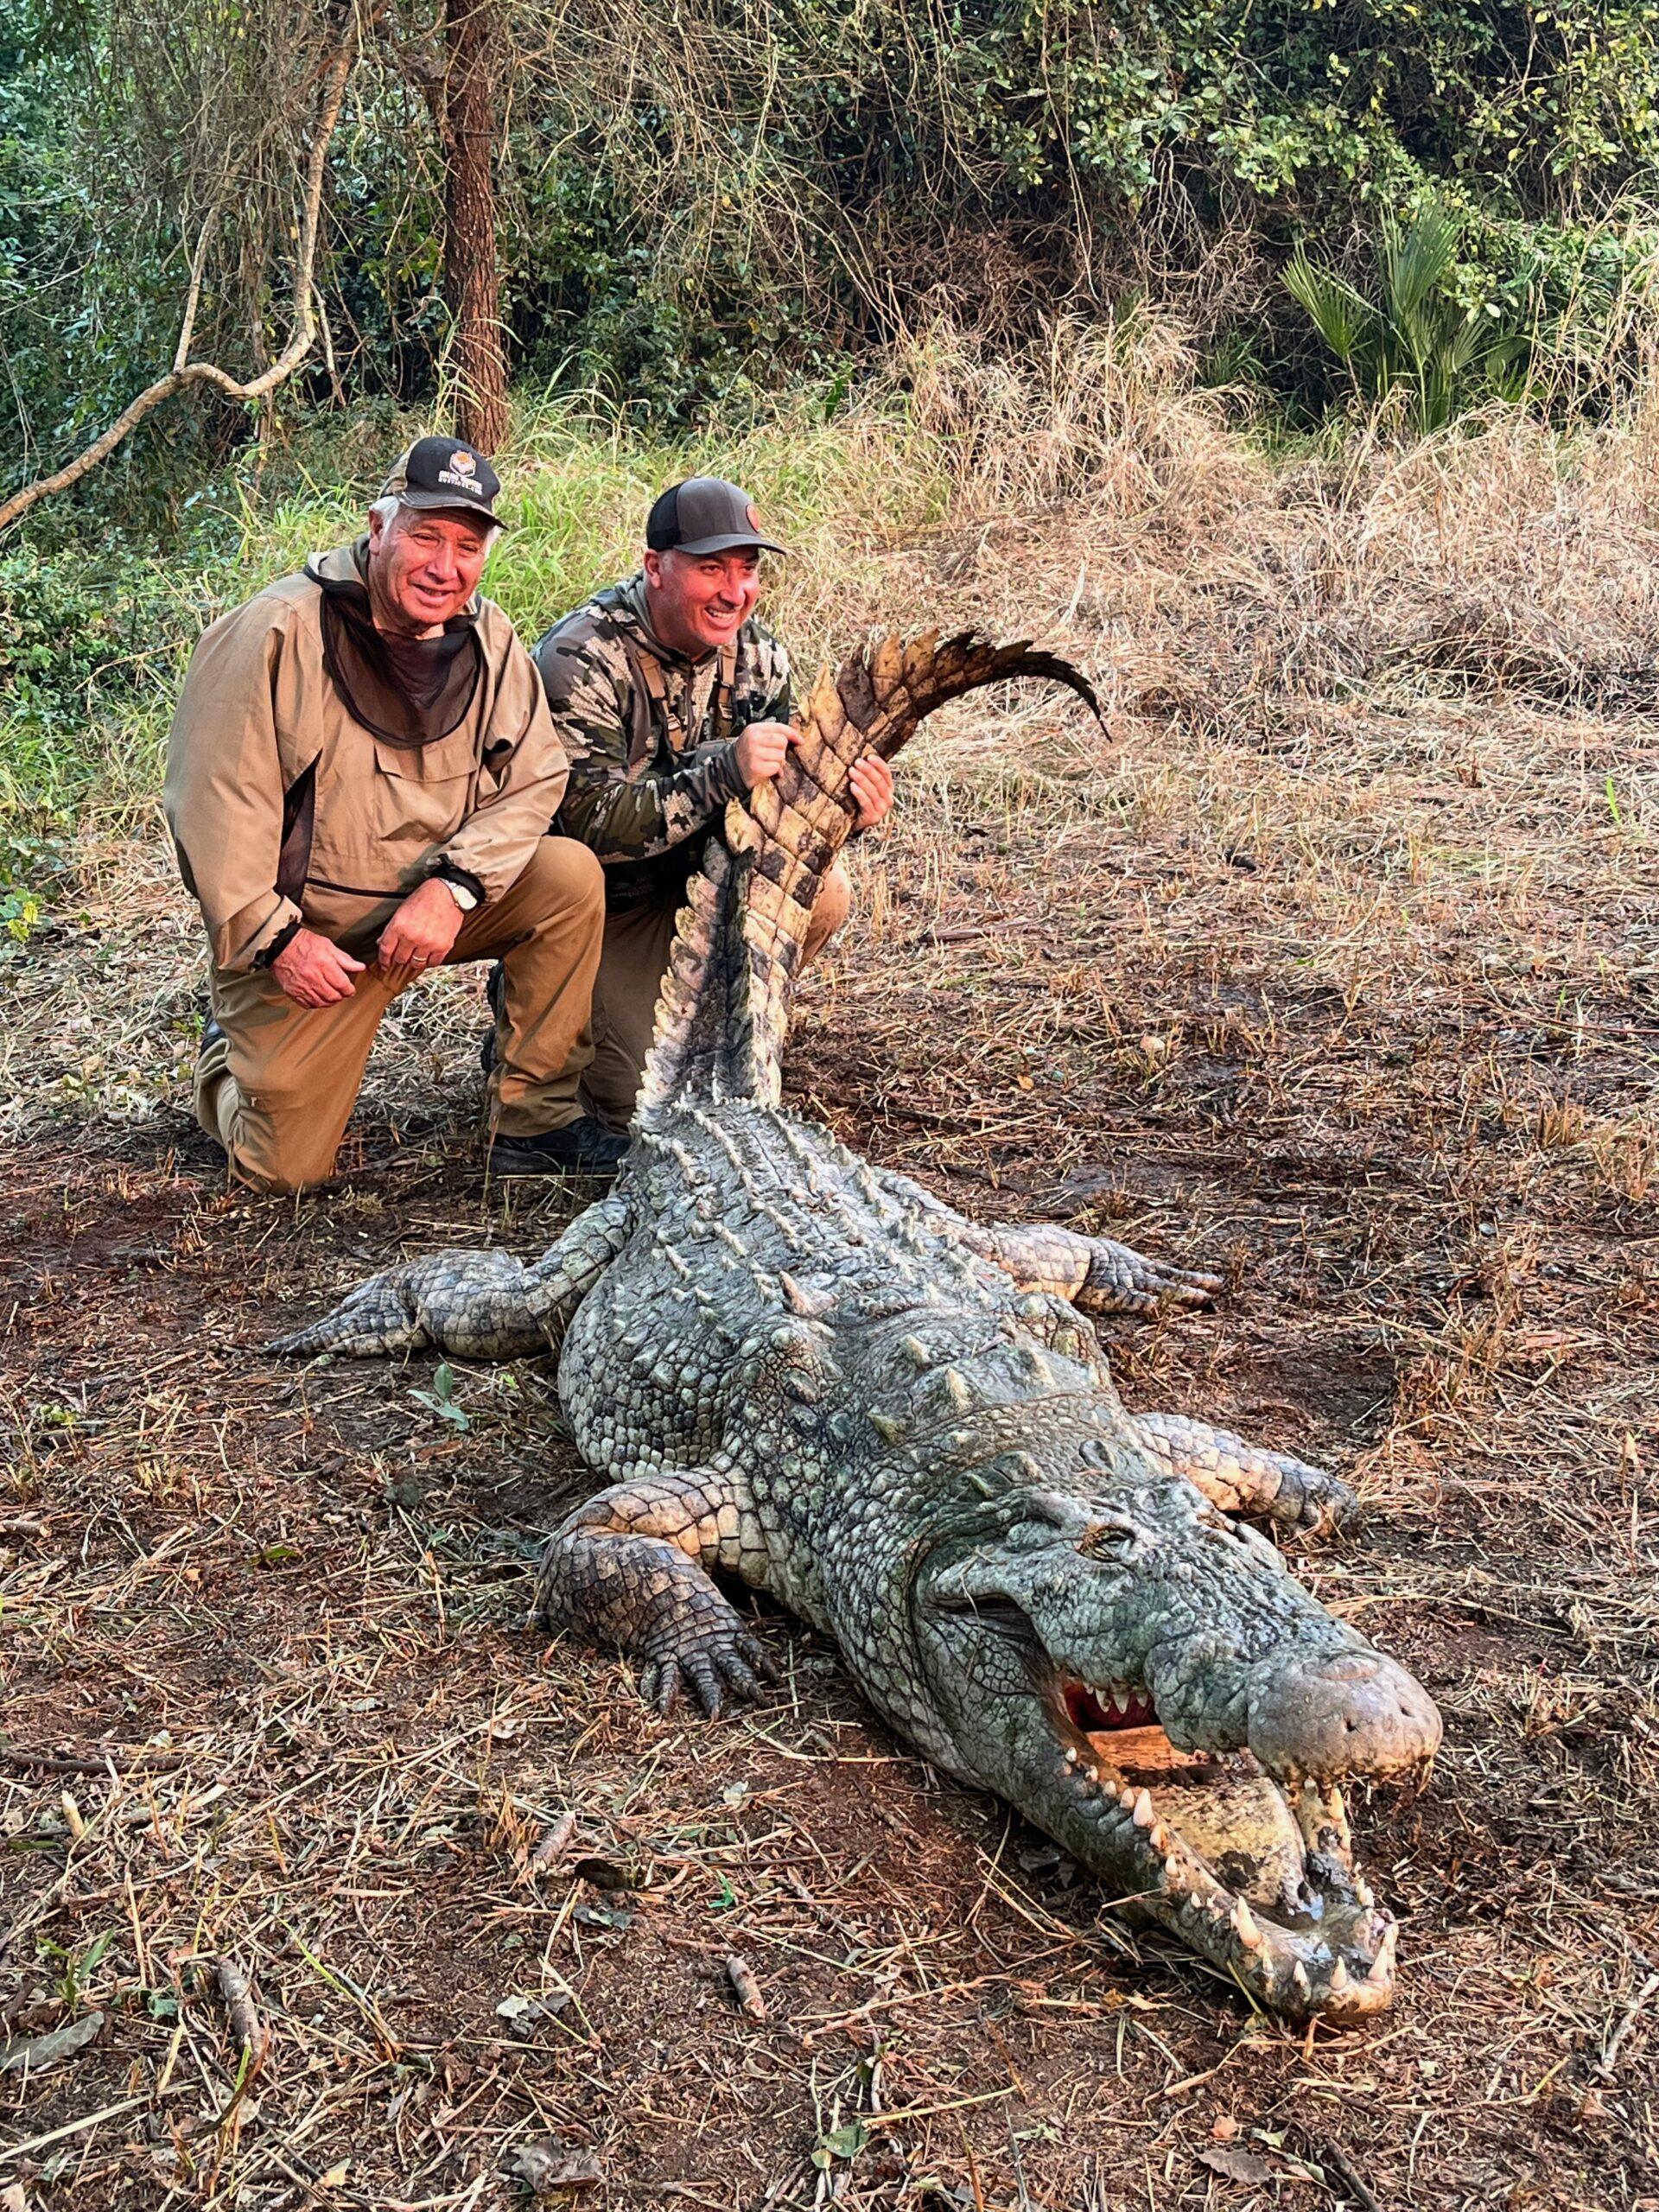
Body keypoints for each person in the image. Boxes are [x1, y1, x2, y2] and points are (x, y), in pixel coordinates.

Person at [163, 437, 626, 1191]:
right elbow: (213, 805)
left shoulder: (488, 636)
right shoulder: (278, 631)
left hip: (427, 910)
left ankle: (533, 1121)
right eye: (426, 536)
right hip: (314, 944)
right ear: (379, 529)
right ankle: (225, 1061)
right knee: (283, 1171)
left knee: (567, 878)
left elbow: (537, 776)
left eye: (467, 546)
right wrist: (275, 939)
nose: (446, 567)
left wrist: (457, 888)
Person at [530, 476, 894, 1126]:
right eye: (711, 569)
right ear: (655, 568)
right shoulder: (579, 658)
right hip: (601, 914)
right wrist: (722, 772)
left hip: (696, 883)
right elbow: (583, 829)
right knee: (641, 1103)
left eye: (748, 570)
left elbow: (777, 817)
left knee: (827, 887)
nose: (736, 592)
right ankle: (541, 1024)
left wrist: (848, 815)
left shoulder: (762, 659)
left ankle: (736, 1028)